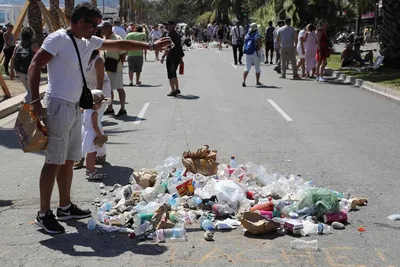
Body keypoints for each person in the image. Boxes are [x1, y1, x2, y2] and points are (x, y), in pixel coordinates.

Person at [28, 2, 171, 234]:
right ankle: (44, 213)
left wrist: (151, 45)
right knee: (53, 161)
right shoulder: (57, 39)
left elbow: (119, 43)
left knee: (68, 160)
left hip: (75, 106)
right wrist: (35, 101)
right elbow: (35, 65)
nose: (97, 30)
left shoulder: (87, 41)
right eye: (93, 25)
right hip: (58, 106)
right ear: (81, 21)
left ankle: (65, 207)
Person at [99, 20, 127, 117]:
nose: (101, 30)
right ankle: (110, 108)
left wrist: (120, 65)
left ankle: (123, 108)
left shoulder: (117, 39)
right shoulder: (103, 39)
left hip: (116, 68)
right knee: (108, 89)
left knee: (119, 88)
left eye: (103, 28)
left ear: (109, 28)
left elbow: (123, 54)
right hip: (106, 68)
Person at [81, 89, 108, 180]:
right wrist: (100, 136)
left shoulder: (86, 110)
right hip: (92, 134)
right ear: (94, 103)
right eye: (100, 103)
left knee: (89, 153)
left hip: (87, 133)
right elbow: (95, 126)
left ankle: (89, 169)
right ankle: (92, 172)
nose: (101, 105)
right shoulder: (94, 113)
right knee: (93, 154)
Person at [10, 27, 39, 103]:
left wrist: (11, 71)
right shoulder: (34, 45)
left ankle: (29, 110)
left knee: (29, 91)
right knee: (32, 93)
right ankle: (24, 104)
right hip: (30, 72)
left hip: (20, 72)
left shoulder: (18, 45)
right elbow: (39, 57)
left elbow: (13, 58)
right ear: (32, 35)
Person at [161, 20, 184, 97]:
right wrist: (181, 59)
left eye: (168, 25)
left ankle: (173, 90)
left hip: (171, 57)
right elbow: (180, 47)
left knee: (170, 74)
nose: (166, 27)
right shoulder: (177, 34)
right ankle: (176, 89)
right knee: (174, 73)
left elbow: (168, 47)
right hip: (177, 56)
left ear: (172, 26)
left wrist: (163, 56)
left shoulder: (170, 35)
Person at [242, 23, 262, 87]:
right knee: (257, 68)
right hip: (255, 52)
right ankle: (257, 81)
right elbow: (259, 44)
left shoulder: (247, 34)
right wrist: (259, 49)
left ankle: (244, 81)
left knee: (247, 68)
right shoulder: (257, 35)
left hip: (248, 53)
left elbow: (245, 42)